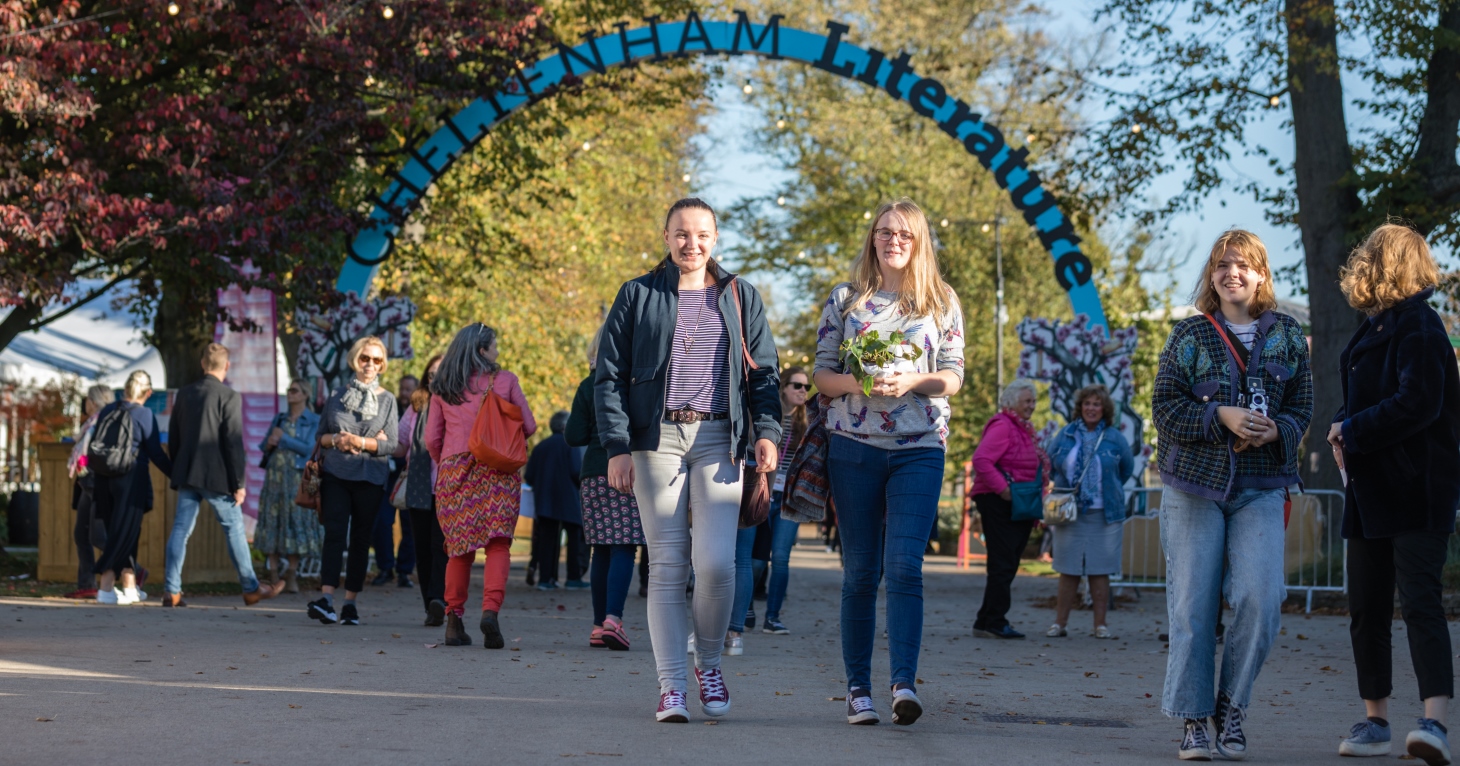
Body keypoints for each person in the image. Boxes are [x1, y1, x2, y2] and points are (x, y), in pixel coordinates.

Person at [596, 197, 781, 723]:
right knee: (668, 567)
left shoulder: (741, 296)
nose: (691, 243)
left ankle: (710, 664)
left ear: (715, 238)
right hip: (656, 440)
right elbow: (607, 376)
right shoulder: (638, 294)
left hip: (721, 438)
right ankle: (671, 686)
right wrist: (616, 446)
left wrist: (767, 431)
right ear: (666, 236)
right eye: (681, 233)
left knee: (719, 564)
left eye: (701, 234)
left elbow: (763, 372)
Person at [1152, 229, 1312, 761]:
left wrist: (1280, 430)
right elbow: (1165, 409)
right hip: (1194, 489)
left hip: (1262, 488)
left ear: (1261, 273)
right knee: (1193, 608)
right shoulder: (1190, 335)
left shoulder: (1288, 334)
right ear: (1212, 276)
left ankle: (1232, 705)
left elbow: (1302, 407)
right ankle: (1195, 720)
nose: (1231, 272)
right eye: (1221, 265)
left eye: (1242, 264)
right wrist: (1217, 415)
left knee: (1261, 599)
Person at [813, 198, 965, 727]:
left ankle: (903, 683)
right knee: (860, 572)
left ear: (919, 240)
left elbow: (953, 376)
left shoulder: (941, 300)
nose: (893, 241)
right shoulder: (846, 298)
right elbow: (822, 376)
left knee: (904, 566)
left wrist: (914, 381)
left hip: (919, 447)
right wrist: (863, 382)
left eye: (904, 233)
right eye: (884, 232)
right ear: (872, 239)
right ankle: (858, 689)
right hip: (853, 447)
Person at [1328, 224, 1457, 766]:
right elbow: (1356, 400)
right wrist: (1340, 425)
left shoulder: (1421, 327)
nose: (1359, 263)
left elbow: (1418, 403)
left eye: (1368, 256)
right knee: (1367, 608)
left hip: (1416, 491)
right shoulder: (1372, 328)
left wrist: (1352, 432)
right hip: (1369, 492)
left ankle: (1436, 723)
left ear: (1384, 264)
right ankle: (1375, 721)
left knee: (1421, 605)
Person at [425, 323, 536, 648]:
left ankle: (453, 620)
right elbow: (528, 425)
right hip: (497, 469)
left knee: (459, 550)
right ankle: (490, 612)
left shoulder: (443, 386)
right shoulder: (505, 381)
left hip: (454, 470)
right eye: (495, 346)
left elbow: (432, 438)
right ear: (482, 349)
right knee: (498, 545)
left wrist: (447, 460)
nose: (499, 351)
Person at [164, 343, 284, 607]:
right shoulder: (229, 396)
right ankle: (251, 588)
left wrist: (179, 465)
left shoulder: (184, 394)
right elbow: (233, 443)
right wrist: (239, 483)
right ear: (227, 366)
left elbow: (173, 437)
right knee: (234, 531)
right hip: (217, 476)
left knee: (180, 530)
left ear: (202, 364)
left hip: (187, 472)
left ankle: (172, 590)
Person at [306, 336, 400, 626]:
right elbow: (319, 437)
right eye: (365, 358)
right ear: (355, 359)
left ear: (382, 365)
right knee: (334, 533)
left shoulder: (388, 400)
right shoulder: (336, 394)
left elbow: (392, 445)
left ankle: (350, 604)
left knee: (360, 539)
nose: (370, 364)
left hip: (371, 478)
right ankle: (326, 599)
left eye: (376, 360)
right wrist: (337, 439)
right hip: (336, 475)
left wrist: (360, 441)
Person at [567, 324, 647, 650]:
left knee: (600, 548)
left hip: (593, 476)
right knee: (624, 546)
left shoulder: (588, 386)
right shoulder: (637, 385)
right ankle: (615, 619)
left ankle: (599, 626)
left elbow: (573, 436)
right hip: (628, 471)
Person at [1043, 384, 1133, 639]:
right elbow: (1050, 464)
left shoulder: (1115, 437)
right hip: (1069, 513)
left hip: (1105, 514)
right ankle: (1059, 624)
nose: (1091, 408)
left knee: (1100, 570)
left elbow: (1125, 469)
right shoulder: (1066, 433)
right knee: (1067, 568)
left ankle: (1100, 625)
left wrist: (1107, 490)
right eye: (1087, 404)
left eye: (1096, 404)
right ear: (1080, 407)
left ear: (1104, 409)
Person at [970, 379, 1048, 640]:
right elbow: (981, 459)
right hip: (999, 501)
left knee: (1008, 561)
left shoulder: (1023, 428)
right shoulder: (1003, 425)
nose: (1032, 406)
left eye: (1033, 401)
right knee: (1004, 563)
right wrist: (1004, 490)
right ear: (1011, 402)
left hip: (1018, 502)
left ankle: (985, 620)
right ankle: (995, 620)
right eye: (1027, 401)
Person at [91, 371, 172, 604]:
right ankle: (106, 586)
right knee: (124, 532)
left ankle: (129, 584)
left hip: (104, 478)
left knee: (122, 532)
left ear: (125, 389)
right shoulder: (145, 414)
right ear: (148, 392)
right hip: (131, 478)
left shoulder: (108, 410)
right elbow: (156, 452)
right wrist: (177, 476)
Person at [253, 379, 322, 594]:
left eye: (294, 390)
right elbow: (265, 446)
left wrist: (283, 439)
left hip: (297, 477)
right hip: (275, 477)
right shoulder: (280, 418)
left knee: (295, 521)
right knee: (273, 521)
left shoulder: (312, 420)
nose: (290, 394)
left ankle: (292, 574)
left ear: (305, 395)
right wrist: (270, 444)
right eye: (288, 390)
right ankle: (273, 575)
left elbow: (310, 448)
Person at [399, 354, 449, 626]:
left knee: (439, 544)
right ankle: (430, 605)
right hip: (419, 488)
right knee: (421, 548)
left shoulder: (458, 403)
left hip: (447, 486)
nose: (435, 379)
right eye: (430, 375)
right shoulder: (417, 406)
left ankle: (438, 599)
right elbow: (400, 443)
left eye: (440, 374)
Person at [761, 366, 810, 634]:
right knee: (755, 561)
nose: (803, 391)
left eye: (807, 387)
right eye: (798, 386)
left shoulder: (809, 421)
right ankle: (744, 608)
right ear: (784, 388)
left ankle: (773, 617)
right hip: (762, 493)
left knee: (780, 557)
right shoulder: (770, 416)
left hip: (790, 498)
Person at [64, 384, 116, 599]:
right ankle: (87, 583)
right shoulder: (90, 424)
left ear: (93, 402)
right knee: (81, 534)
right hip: (86, 482)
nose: (85, 403)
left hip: (97, 483)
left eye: (87, 399)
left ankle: (133, 568)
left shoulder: (104, 422)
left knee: (97, 536)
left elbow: (97, 451)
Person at [527, 411, 586, 590]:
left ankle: (546, 579)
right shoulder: (570, 445)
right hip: (568, 500)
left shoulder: (540, 447)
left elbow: (529, 476)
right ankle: (573, 578)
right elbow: (577, 471)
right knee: (574, 539)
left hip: (545, 501)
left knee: (547, 540)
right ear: (564, 426)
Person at [371, 378, 416, 589]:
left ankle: (405, 571)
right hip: (388, 473)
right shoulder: (390, 409)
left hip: (410, 473)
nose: (404, 392)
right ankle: (385, 567)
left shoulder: (420, 411)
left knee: (410, 525)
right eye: (402, 388)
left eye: (409, 389)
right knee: (382, 522)